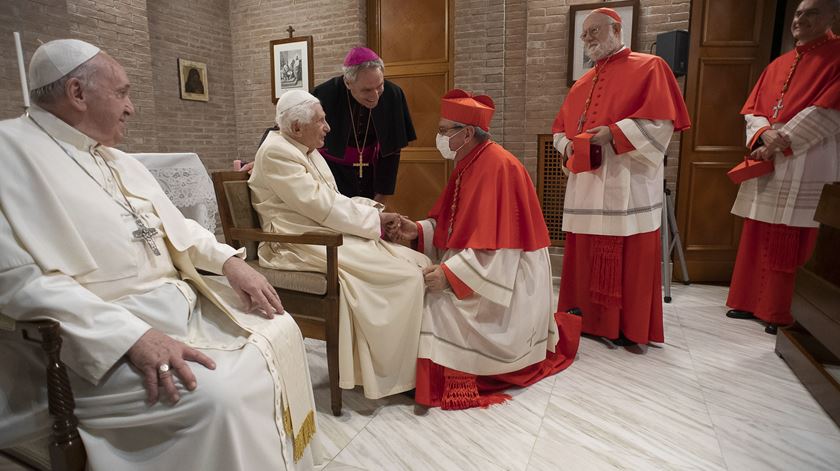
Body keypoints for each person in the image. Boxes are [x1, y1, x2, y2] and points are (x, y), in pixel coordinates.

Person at [0, 39, 321, 470]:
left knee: (281, 328)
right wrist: (130, 336)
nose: (131, 107)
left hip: (174, 307)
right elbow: (19, 283)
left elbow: (176, 227)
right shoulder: (9, 155)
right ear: (77, 94)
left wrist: (229, 261)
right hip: (87, 341)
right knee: (221, 396)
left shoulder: (116, 159)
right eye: (122, 93)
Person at [390, 89, 582, 410]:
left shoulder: (499, 168)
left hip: (509, 280)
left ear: (466, 133)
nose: (438, 137)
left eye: (442, 131)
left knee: (435, 307)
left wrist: (450, 275)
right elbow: (457, 226)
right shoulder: (468, 163)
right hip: (481, 265)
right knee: (420, 295)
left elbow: (502, 250)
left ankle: (444, 375)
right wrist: (418, 229)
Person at [248, 90, 430, 399]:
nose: (328, 127)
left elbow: (334, 201)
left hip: (320, 233)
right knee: (405, 277)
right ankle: (392, 374)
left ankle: (412, 364)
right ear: (295, 127)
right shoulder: (278, 153)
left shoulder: (304, 148)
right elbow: (321, 207)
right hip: (297, 242)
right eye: (320, 121)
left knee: (418, 263)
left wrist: (377, 214)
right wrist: (375, 224)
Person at [551, 7, 691, 347]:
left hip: (629, 181)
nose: (587, 40)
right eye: (584, 35)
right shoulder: (582, 83)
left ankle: (628, 327)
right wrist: (568, 147)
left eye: (593, 32)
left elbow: (662, 124)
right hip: (587, 182)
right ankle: (585, 319)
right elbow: (558, 130)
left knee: (632, 255)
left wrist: (614, 133)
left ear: (616, 28)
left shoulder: (650, 67)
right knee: (584, 253)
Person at [726, 0, 840, 334]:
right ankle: (750, 301)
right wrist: (763, 135)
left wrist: (780, 141)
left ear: (833, 16)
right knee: (760, 228)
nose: (801, 19)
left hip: (810, 157)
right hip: (771, 157)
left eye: (812, 13)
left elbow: (828, 113)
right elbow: (753, 110)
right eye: (799, 13)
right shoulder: (780, 63)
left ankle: (785, 311)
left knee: (796, 233)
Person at [312, 47, 416, 202]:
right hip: (331, 172)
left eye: (379, 86)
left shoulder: (392, 94)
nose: (375, 97)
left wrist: (382, 197)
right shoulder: (323, 95)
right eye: (367, 90)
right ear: (348, 82)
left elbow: (392, 151)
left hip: (372, 173)